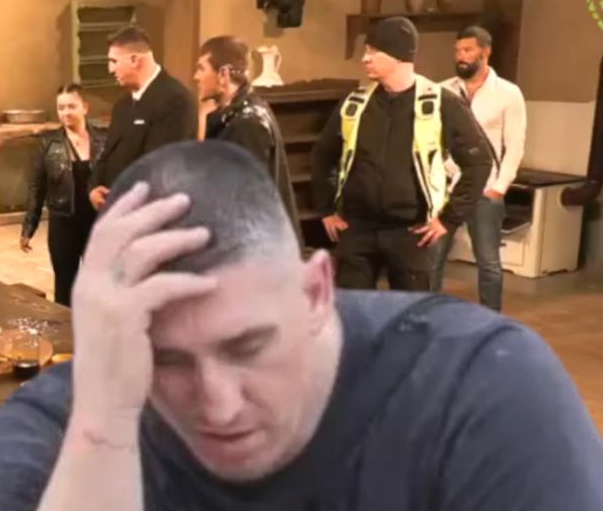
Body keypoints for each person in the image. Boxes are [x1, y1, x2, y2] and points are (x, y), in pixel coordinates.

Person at [0, 141, 603, 511]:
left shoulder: (477, 383)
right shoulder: (48, 441)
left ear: (316, 290)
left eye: (248, 347)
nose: (218, 404)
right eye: (165, 361)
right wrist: (105, 415)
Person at [310, 17, 492, 291]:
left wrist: (449, 218)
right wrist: (326, 209)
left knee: (411, 313)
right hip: (356, 230)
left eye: (373, 51)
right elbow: (323, 155)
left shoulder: (442, 103)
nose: (365, 58)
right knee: (352, 311)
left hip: (411, 233)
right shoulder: (354, 103)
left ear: (398, 56)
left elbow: (479, 162)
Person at [431, 26, 527, 312]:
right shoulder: (442, 90)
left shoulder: (508, 93)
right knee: (433, 258)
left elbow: (515, 144)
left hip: (485, 187)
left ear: (485, 52)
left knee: (488, 262)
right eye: (457, 51)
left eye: (467, 50)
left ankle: (492, 319)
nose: (461, 56)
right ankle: (427, 316)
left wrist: (500, 187)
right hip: (447, 187)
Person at [193, 35, 302, 249]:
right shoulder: (236, 115)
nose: (195, 77)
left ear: (224, 74)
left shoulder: (247, 124)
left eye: (201, 68)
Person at [88, 25, 196, 213]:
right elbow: (106, 155)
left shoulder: (176, 101)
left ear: (134, 60)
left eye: (114, 61)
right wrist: (94, 187)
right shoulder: (122, 106)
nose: (110, 69)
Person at [19, 84, 107, 306]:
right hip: (63, 223)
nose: (66, 112)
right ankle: (65, 328)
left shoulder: (104, 139)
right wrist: (29, 227)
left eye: (71, 106)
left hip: (98, 223)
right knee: (65, 286)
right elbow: (36, 186)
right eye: (61, 108)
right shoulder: (48, 142)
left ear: (85, 107)